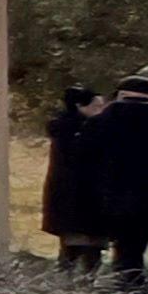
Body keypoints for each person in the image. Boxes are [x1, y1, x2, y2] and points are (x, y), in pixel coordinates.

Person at [84, 74, 148, 294]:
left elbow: (84, 162)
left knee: (127, 253)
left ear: (121, 95)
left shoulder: (100, 123)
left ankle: (129, 293)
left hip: (120, 200)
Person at [43, 85, 112, 278]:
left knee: (71, 247)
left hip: (66, 196)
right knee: (86, 247)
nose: (101, 111)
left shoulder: (63, 128)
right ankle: (82, 283)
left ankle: (67, 283)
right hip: (83, 196)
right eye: (96, 106)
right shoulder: (84, 131)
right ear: (80, 106)